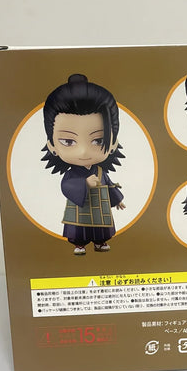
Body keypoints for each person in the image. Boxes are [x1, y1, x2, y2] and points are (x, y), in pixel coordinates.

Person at [41, 74, 125, 255]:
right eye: (68, 141)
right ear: (52, 146)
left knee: (101, 228)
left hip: (99, 207)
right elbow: (66, 185)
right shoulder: (73, 174)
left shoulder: (100, 171)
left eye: (98, 140)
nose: (83, 152)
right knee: (79, 228)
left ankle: (100, 242)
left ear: (113, 143)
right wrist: (84, 183)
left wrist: (117, 199)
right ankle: (79, 244)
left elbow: (109, 185)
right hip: (81, 207)